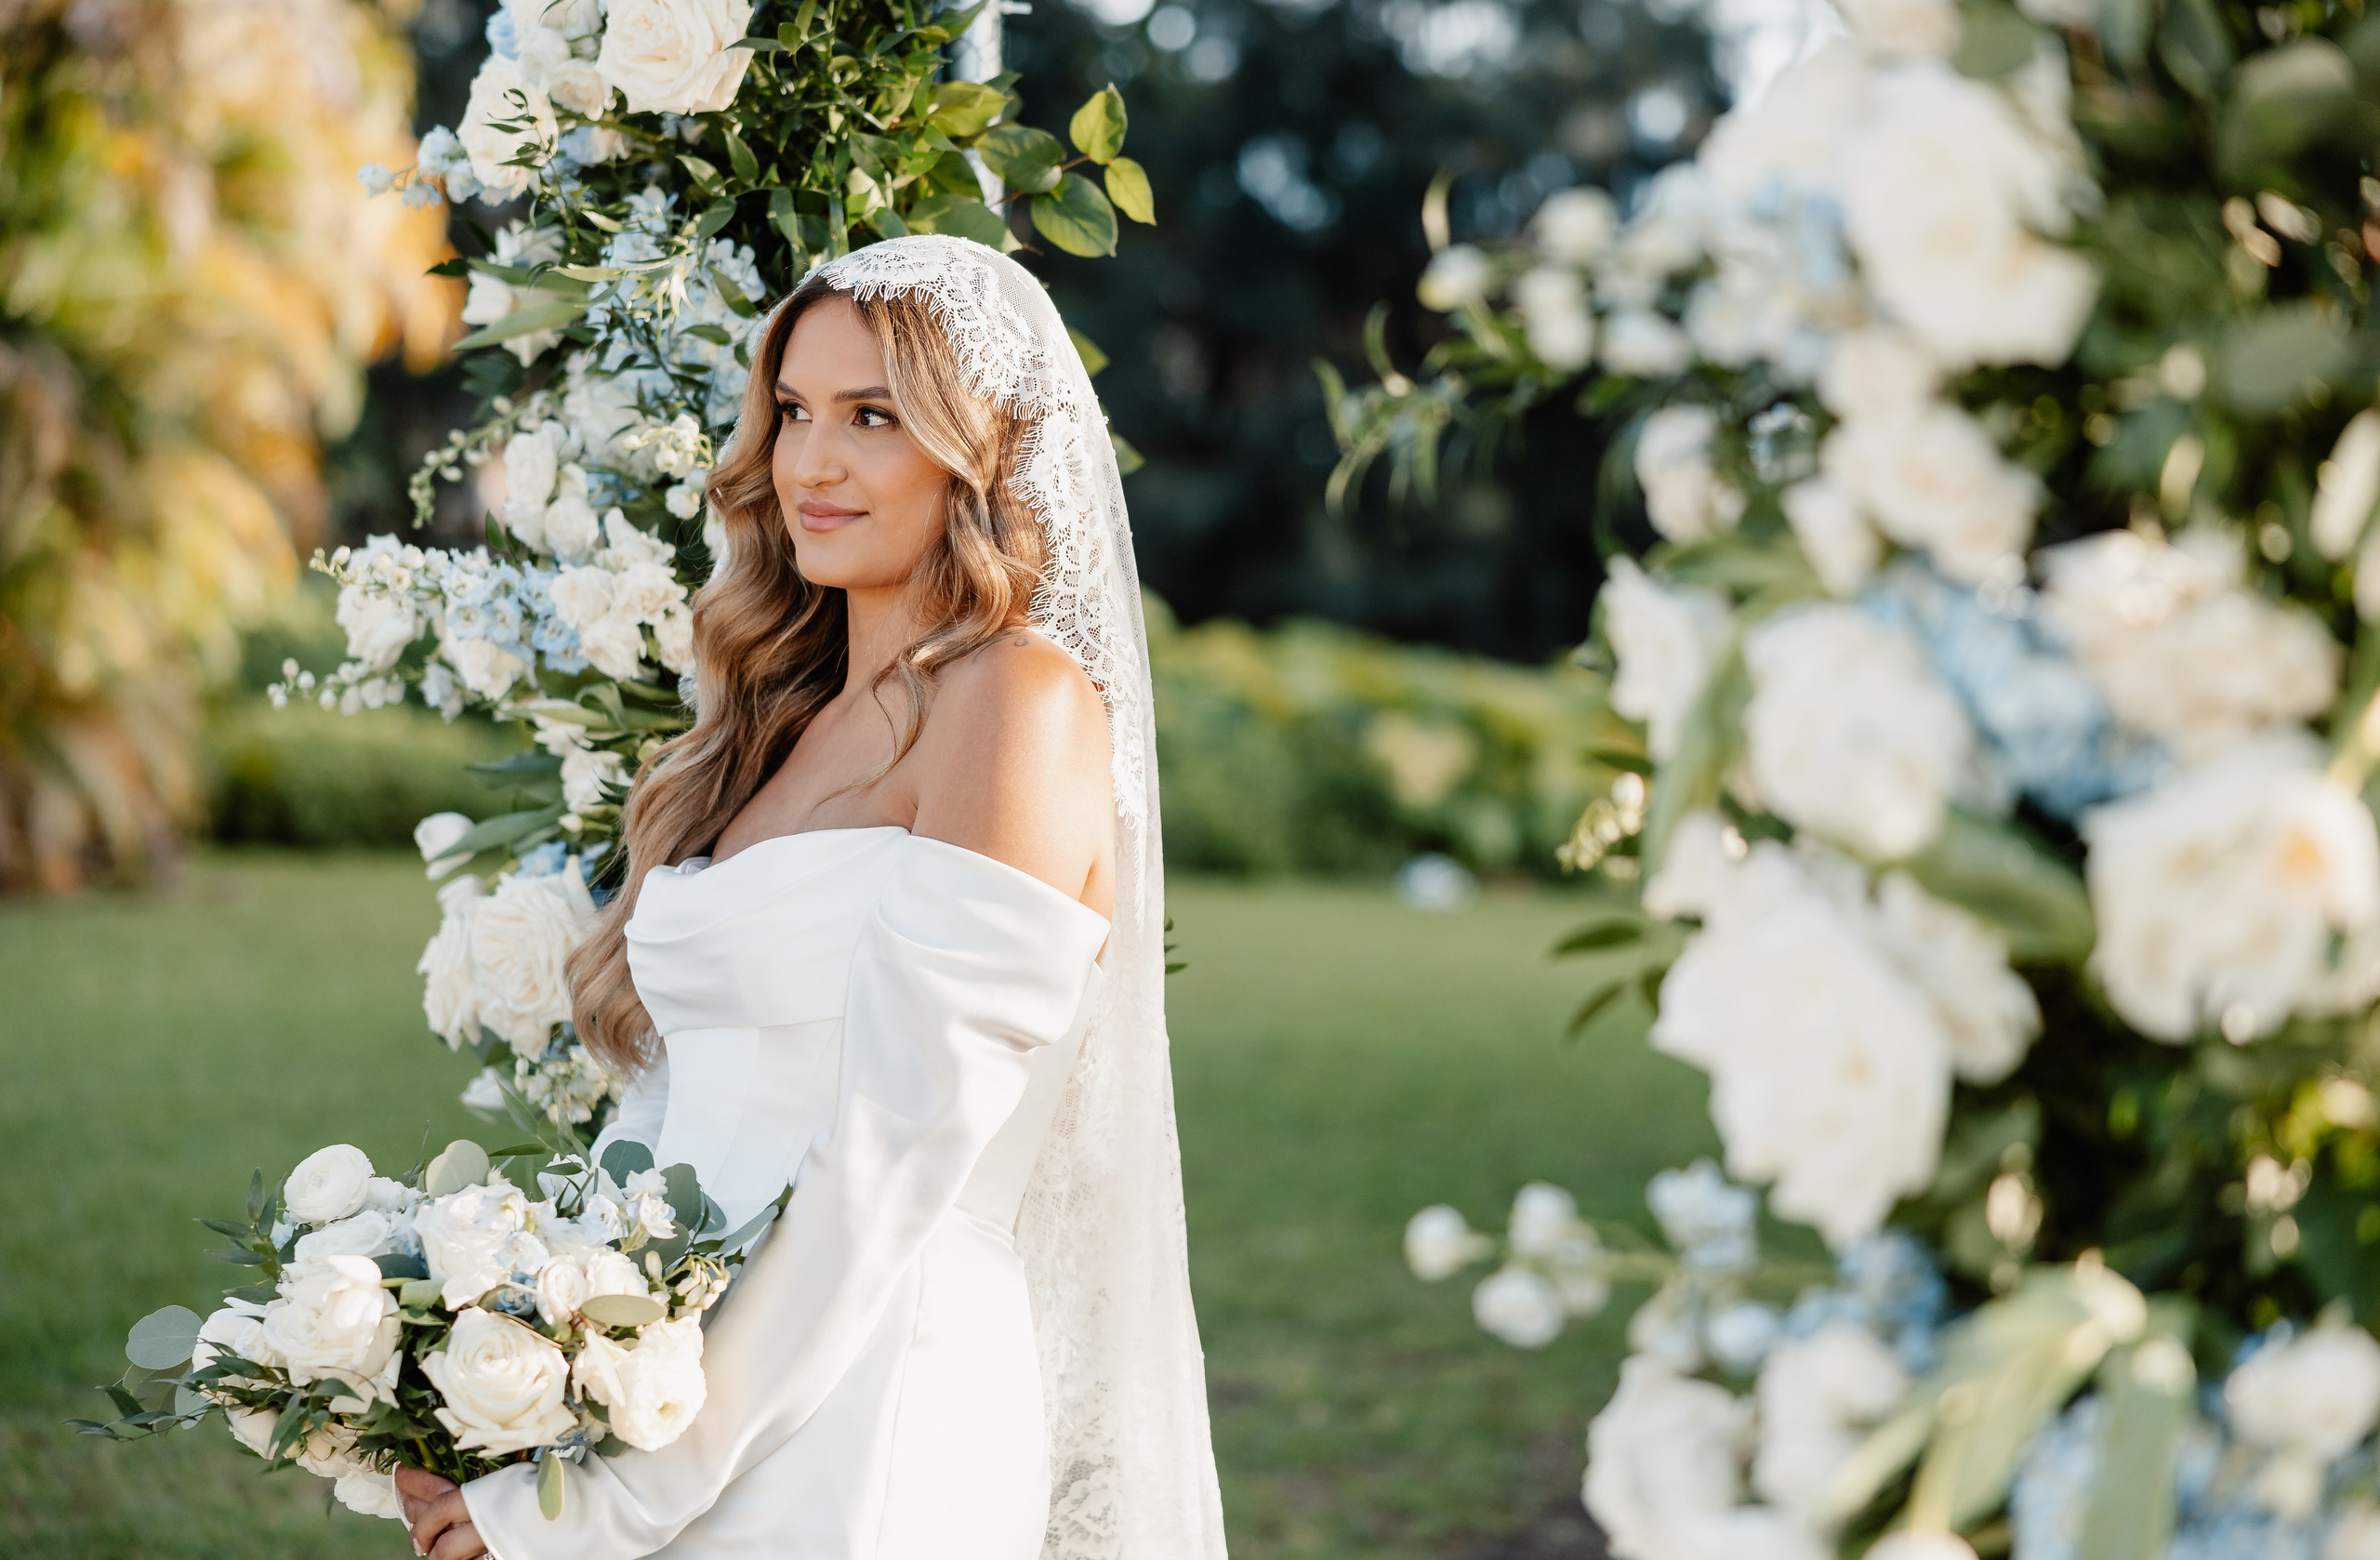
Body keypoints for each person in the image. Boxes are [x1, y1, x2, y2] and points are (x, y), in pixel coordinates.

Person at [394, 235, 1226, 1560]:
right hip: (670, 1391)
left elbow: (893, 1165)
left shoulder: (1017, 707)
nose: (810, 463)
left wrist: (609, 1504)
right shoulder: (772, 729)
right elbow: (670, 1106)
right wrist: (531, 1392)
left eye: (873, 418)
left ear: (986, 447)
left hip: (871, 1408)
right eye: (792, 411)